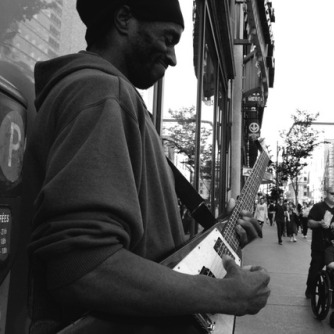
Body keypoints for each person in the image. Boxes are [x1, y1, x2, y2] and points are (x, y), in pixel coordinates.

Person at [25, 1, 270, 332]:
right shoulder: (102, 93)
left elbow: (147, 251)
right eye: (168, 38)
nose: (172, 57)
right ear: (124, 19)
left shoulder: (108, 96)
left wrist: (220, 237)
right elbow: (84, 267)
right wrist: (224, 295)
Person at [305, 186, 334, 299]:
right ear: (326, 193)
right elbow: (309, 223)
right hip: (319, 246)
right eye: (332, 193)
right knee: (315, 269)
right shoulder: (318, 207)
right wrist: (320, 223)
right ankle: (310, 289)